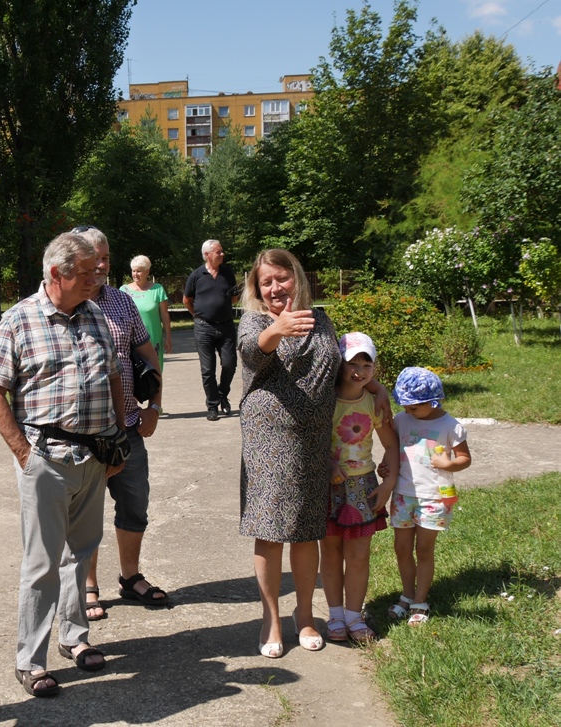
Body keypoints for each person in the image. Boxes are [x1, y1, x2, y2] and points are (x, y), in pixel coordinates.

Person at [0, 232, 125, 698]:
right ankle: (31, 660)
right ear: (56, 274)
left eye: (96, 271)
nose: (95, 279)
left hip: (95, 458)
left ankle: (75, 639)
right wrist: (23, 453)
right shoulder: (19, 319)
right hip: (46, 458)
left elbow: (114, 376)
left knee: (80, 555)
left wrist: (118, 437)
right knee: (42, 564)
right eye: (86, 274)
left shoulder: (97, 314)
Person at [237, 248, 389, 659]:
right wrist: (279, 329)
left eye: (281, 278)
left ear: (297, 279)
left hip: (314, 442)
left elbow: (344, 368)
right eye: (265, 282)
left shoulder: (321, 319)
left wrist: (374, 388)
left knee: (307, 532)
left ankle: (304, 616)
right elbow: (252, 352)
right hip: (268, 441)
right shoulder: (254, 321)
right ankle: (271, 620)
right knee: (270, 532)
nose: (274, 288)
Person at [77, 228, 168, 621]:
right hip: (80, 433)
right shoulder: (62, 301)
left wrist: (155, 406)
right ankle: (88, 584)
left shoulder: (123, 302)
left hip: (128, 427)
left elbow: (149, 356)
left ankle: (130, 577)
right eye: (93, 257)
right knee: (87, 512)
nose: (101, 265)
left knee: (135, 504)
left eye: (106, 258)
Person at [320, 332, 399, 644]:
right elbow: (310, 440)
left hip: (363, 488)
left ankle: (354, 616)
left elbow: (391, 446)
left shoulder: (374, 403)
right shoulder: (324, 401)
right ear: (339, 365)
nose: (360, 370)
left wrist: (388, 484)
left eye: (367, 363)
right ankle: (335, 615)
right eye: (352, 362)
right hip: (327, 486)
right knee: (329, 552)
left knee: (358, 556)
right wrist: (328, 464)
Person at [385, 367, 471, 627]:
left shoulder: (451, 426)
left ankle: (420, 599)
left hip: (433, 497)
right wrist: (385, 465)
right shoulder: (402, 420)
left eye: (414, 407)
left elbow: (465, 459)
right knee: (401, 548)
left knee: (424, 549)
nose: (408, 411)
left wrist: (448, 464)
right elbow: (392, 449)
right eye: (405, 407)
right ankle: (406, 594)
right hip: (403, 494)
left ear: (433, 402)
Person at [183, 240, 238, 421]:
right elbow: (186, 300)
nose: (222, 254)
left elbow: (235, 298)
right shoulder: (196, 275)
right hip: (203, 327)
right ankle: (213, 405)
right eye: (218, 252)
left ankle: (223, 394)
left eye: (222, 251)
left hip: (227, 326)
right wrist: (198, 316)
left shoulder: (228, 274)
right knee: (208, 370)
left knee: (229, 364)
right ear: (207, 254)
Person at [120, 255, 173, 370]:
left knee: (154, 376)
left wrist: (168, 338)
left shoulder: (157, 289)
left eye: (139, 271)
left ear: (147, 271)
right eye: (133, 271)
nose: (135, 274)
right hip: (130, 341)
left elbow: (164, 315)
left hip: (153, 339)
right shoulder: (124, 290)